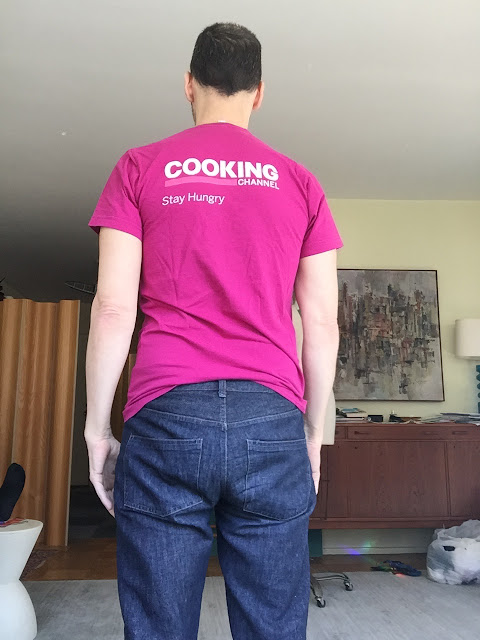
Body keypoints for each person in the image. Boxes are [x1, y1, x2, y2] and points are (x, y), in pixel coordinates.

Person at [84, 21, 343, 640]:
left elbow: (113, 308)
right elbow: (322, 322)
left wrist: (97, 430)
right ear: (259, 93)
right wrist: (312, 432)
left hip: (167, 414)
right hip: (270, 417)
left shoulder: (139, 168)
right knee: (273, 624)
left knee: (159, 624)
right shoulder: (300, 182)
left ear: (188, 84)